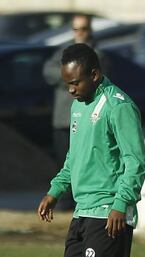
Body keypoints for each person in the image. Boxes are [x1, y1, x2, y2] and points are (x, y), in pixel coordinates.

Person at [37, 43, 145, 257]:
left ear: (95, 75)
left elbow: (135, 161)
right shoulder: (78, 106)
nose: (71, 90)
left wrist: (121, 204)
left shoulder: (118, 106)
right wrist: (55, 191)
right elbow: (74, 156)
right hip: (82, 211)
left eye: (75, 82)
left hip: (108, 212)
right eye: (67, 83)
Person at [43, 14, 104, 210]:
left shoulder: (97, 53)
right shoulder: (63, 52)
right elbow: (47, 71)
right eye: (77, 29)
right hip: (63, 118)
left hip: (89, 119)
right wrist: (74, 78)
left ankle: (81, 202)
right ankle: (65, 202)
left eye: (84, 29)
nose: (80, 33)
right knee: (65, 163)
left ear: (90, 30)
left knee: (85, 163)